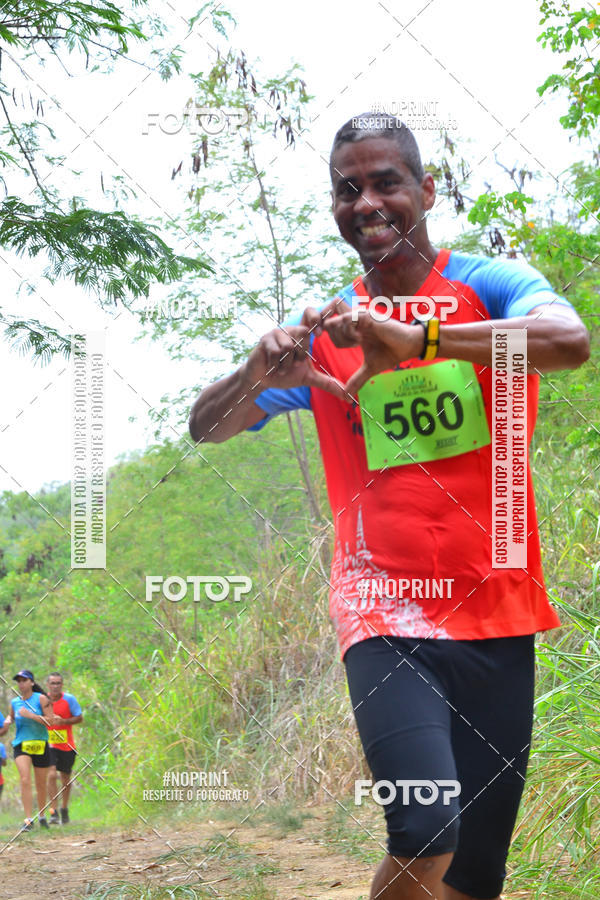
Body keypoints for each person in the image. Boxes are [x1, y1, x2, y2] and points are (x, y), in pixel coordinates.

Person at [188, 113, 590, 900]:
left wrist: (423, 342)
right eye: (348, 189)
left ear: (426, 191)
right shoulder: (328, 331)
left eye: (385, 183)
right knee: (425, 827)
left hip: (498, 605)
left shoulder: (491, 286)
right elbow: (208, 427)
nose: (366, 203)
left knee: (475, 875)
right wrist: (255, 373)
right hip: (384, 611)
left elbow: (568, 342)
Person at [1, 669, 57, 832]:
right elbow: (11, 716)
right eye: (18, 681)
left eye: (24, 680)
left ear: (32, 682)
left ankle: (42, 816)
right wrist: (8, 721)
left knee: (40, 783)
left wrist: (31, 716)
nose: (21, 684)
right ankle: (28, 820)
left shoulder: (41, 699)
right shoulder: (15, 702)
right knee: (25, 779)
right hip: (21, 744)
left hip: (40, 743)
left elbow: (51, 721)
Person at [45, 672, 83, 825]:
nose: (55, 686)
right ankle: (53, 811)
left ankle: (64, 809)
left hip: (67, 745)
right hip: (49, 744)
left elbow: (79, 717)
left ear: (62, 685)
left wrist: (63, 721)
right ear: (48, 685)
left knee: (65, 778)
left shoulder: (69, 699)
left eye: (58, 683)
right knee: (51, 775)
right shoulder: (43, 700)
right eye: (52, 683)